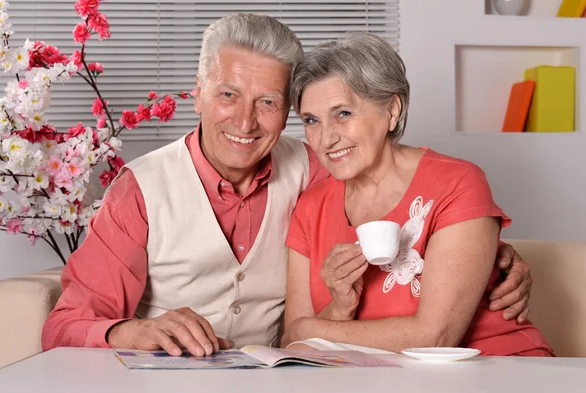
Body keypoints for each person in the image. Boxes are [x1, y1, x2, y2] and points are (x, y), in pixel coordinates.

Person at [42, 14, 534, 358]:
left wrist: (494, 254)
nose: (245, 121)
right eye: (228, 94)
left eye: (269, 103)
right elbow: (64, 325)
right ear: (196, 93)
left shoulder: (314, 166)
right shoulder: (141, 190)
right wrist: (135, 332)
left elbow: (406, 199)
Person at [281, 32, 553, 356]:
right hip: (379, 379)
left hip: (499, 368)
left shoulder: (457, 183)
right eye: (312, 120)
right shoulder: (310, 207)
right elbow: (294, 346)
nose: (325, 139)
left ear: (392, 111)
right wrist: (338, 309)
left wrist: (308, 329)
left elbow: (435, 338)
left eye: (343, 113)